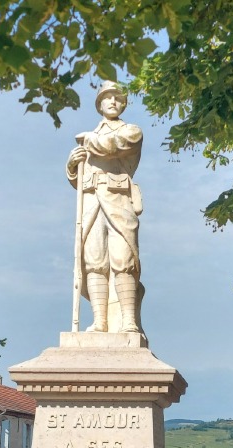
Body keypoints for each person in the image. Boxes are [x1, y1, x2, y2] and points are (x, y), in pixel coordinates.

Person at [66, 81, 144, 334]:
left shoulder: (131, 131)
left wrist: (89, 141)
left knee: (124, 259)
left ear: (124, 104)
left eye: (117, 98)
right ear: (99, 104)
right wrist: (72, 164)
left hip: (118, 198)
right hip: (90, 202)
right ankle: (100, 322)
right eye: (107, 98)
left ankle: (128, 321)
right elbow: (78, 179)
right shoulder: (86, 141)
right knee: (94, 261)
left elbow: (113, 147)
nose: (112, 101)